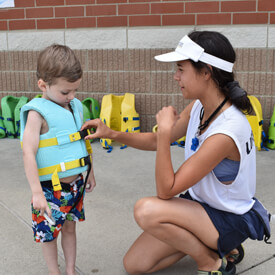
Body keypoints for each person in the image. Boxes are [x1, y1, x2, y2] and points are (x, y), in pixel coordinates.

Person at [81, 31, 271, 275]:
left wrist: (164, 135)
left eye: (181, 69)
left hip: (228, 218)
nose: (175, 76)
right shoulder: (200, 106)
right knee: (135, 265)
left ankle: (211, 262)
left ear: (206, 72)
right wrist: (112, 134)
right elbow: (156, 140)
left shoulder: (227, 130)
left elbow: (166, 189)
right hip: (201, 208)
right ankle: (221, 248)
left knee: (146, 210)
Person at [20, 44, 96, 275]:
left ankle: (70, 270)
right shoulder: (37, 114)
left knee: (71, 230)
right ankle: (55, 272)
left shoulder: (75, 106)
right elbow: (28, 153)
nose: (71, 97)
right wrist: (36, 193)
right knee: (49, 236)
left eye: (75, 90)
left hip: (75, 186)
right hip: (48, 190)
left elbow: (82, 142)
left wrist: (90, 171)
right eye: (65, 92)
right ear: (43, 85)